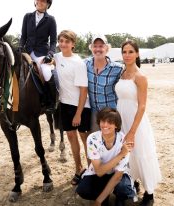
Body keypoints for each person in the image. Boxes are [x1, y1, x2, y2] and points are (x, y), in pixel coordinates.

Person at [115, 40, 162, 206]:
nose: (127, 55)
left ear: (137, 54)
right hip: (121, 118)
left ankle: (149, 193)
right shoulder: (121, 73)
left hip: (136, 122)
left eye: (130, 52)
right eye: (124, 52)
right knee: (127, 155)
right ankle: (133, 183)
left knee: (141, 153)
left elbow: (142, 106)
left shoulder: (140, 77)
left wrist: (132, 131)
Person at [76, 107, 136, 206]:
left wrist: (98, 201)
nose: (105, 125)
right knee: (83, 190)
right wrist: (121, 154)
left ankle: (117, 197)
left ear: (116, 125)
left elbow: (117, 176)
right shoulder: (93, 138)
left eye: (110, 122)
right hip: (99, 173)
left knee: (124, 190)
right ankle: (105, 195)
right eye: (103, 121)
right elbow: (99, 172)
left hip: (117, 174)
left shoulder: (123, 140)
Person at [54, 30, 91, 185]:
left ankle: (91, 170)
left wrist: (78, 114)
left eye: (67, 41)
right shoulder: (56, 57)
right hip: (64, 104)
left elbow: (83, 90)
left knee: (85, 139)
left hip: (80, 106)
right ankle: (78, 168)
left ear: (73, 44)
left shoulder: (78, 63)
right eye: (61, 41)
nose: (63, 44)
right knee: (71, 137)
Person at [19, 0, 57, 113]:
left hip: (41, 53)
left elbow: (54, 41)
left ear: (48, 4)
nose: (40, 2)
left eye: (43, 1)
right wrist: (20, 46)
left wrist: (50, 54)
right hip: (27, 51)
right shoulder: (27, 16)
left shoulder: (50, 20)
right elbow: (23, 36)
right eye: (38, 0)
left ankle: (51, 101)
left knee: (46, 72)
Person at [85, 35, 123, 132]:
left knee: (113, 142)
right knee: (96, 142)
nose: (98, 49)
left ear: (107, 48)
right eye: (95, 46)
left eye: (101, 46)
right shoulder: (85, 64)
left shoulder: (118, 68)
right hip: (94, 113)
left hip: (111, 112)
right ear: (91, 48)